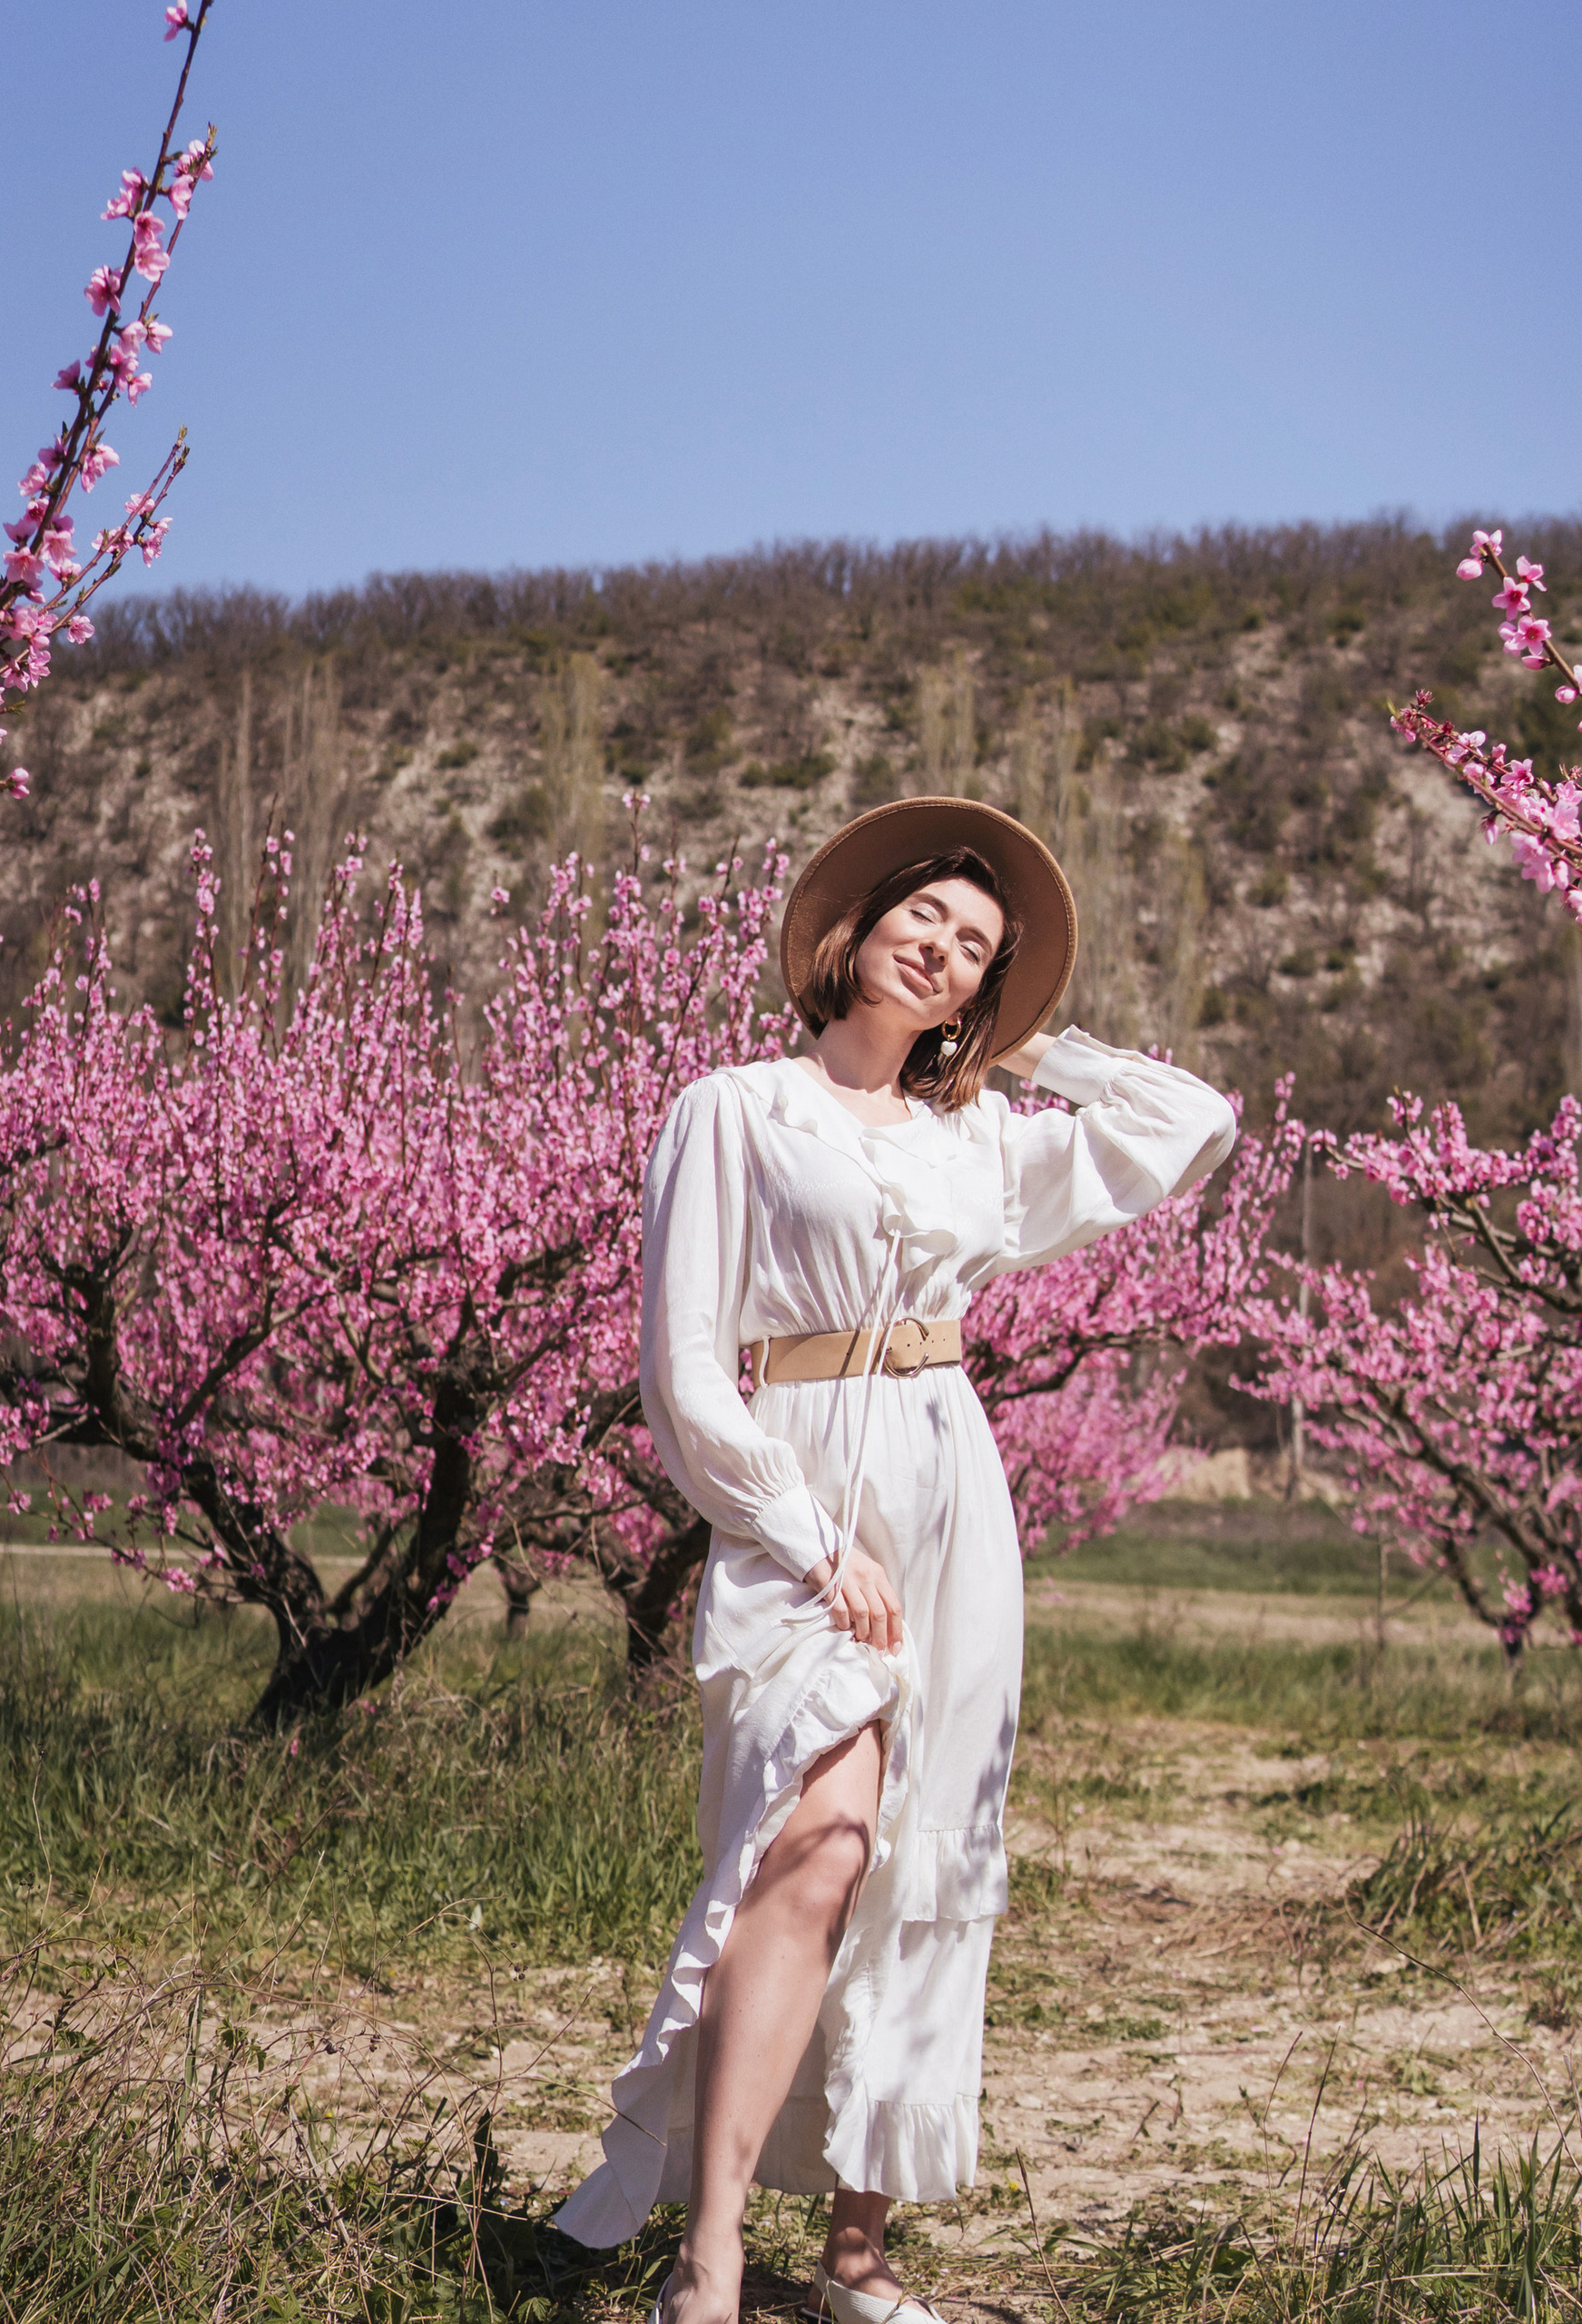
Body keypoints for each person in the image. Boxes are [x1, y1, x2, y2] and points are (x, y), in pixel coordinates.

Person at [553, 799, 1238, 2324]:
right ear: (853, 929)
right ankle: (711, 2249)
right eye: (922, 919)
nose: (940, 950)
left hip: (950, 1490)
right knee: (813, 1847)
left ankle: (857, 2254)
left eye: (976, 951)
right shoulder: (733, 1107)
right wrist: (804, 1534)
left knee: (926, 1861)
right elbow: (684, 1363)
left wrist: (1029, 1041)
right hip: (802, 1495)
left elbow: (1188, 1127)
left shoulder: (978, 1138)